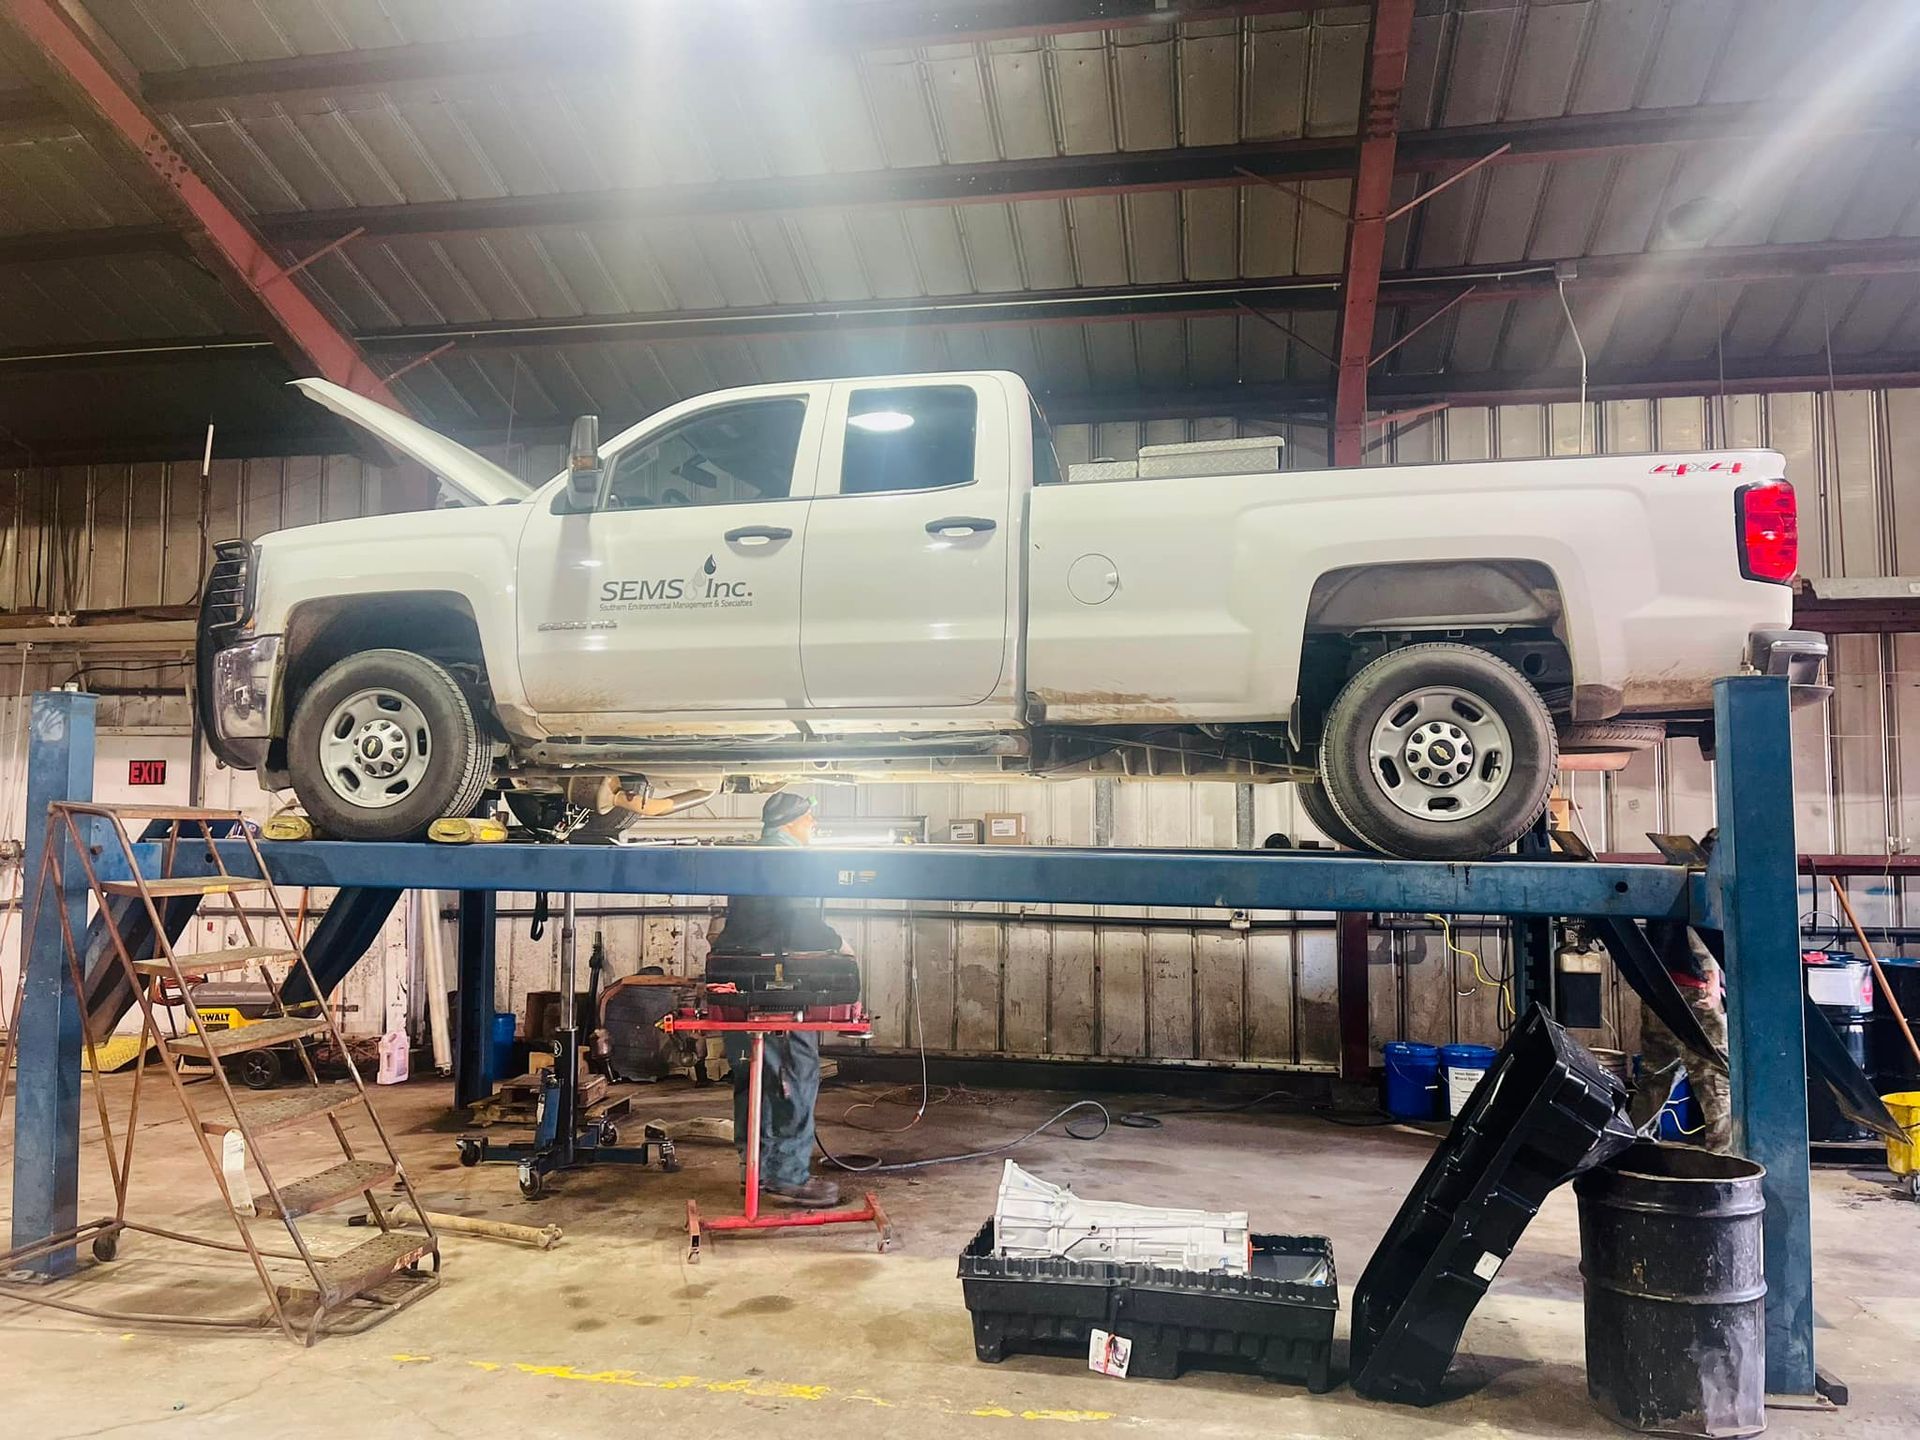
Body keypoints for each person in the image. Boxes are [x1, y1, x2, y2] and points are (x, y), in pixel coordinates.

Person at [706, 792, 844, 1208]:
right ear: (791, 823)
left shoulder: (753, 856)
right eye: (809, 818)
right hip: (775, 993)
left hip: (738, 989)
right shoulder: (791, 861)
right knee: (792, 1080)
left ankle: (757, 1171)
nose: (814, 825)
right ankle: (787, 1176)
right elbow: (803, 927)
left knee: (752, 1081)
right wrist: (839, 944)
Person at [1639, 830, 1732, 1151]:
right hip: (1694, 989)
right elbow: (1700, 931)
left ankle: (1635, 1143)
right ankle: (1723, 1153)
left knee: (1656, 1071)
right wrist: (1710, 981)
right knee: (1714, 1072)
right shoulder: (1708, 878)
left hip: (1660, 987)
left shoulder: (1674, 869)